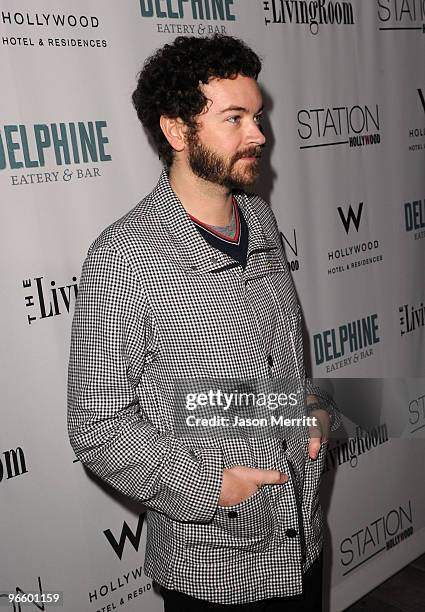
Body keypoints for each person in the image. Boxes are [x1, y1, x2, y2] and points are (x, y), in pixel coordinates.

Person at [67, 34, 339, 612]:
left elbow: (276, 366)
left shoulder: (260, 220)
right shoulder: (125, 256)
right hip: (214, 570)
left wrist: (308, 411)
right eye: (234, 118)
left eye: (257, 116)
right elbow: (97, 427)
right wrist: (211, 486)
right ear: (176, 131)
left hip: (304, 541)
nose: (259, 135)